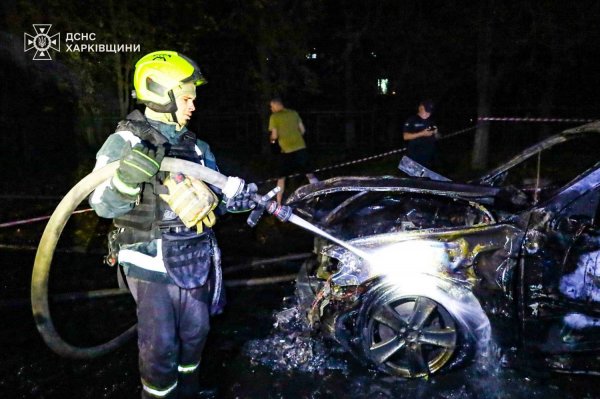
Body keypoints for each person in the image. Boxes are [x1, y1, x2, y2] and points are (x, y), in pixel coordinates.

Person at [89, 50, 255, 399]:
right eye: (186, 97)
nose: (193, 105)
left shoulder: (197, 147)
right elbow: (101, 205)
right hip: (149, 262)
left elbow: (216, 200)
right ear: (159, 93)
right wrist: (125, 181)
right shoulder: (127, 141)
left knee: (196, 333)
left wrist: (234, 202)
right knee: (160, 346)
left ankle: (190, 391)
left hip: (195, 257)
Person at [268, 97, 318, 204]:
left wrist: (272, 140)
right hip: (300, 148)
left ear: (276, 105)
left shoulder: (274, 117)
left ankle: (279, 203)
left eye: (271, 107)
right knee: (310, 174)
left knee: (281, 178)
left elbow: (275, 136)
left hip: (286, 151)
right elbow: (303, 130)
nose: (271, 109)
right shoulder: (294, 113)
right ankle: (321, 195)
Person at [402, 99, 440, 168]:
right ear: (420, 108)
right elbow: (405, 136)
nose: (428, 114)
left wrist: (436, 133)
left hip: (429, 159)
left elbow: (438, 137)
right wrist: (422, 133)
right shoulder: (412, 120)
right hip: (414, 159)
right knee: (413, 178)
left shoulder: (431, 121)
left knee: (428, 178)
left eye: (430, 112)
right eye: (426, 111)